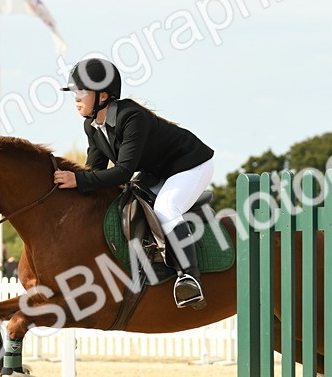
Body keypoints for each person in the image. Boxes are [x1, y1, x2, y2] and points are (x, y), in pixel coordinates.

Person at [54, 58, 215, 309]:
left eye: (81, 92)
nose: (75, 98)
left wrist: (78, 179)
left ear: (104, 96)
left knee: (165, 208)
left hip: (191, 164)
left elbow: (122, 173)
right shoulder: (92, 125)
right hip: (158, 171)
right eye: (75, 92)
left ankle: (190, 278)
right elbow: (95, 171)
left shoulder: (132, 117)